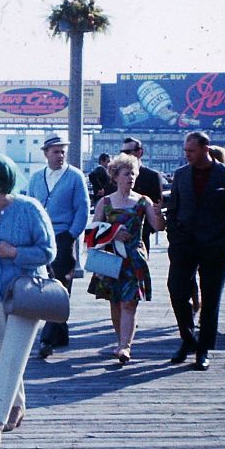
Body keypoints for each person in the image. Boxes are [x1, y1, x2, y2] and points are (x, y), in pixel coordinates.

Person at [0, 153, 56, 449]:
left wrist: (15, 253)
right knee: (2, 354)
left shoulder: (30, 209)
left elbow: (48, 251)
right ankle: (16, 406)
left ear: (2, 182)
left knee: (11, 357)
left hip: (27, 294)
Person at [166, 131, 225, 371]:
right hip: (184, 245)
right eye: (185, 150)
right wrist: (174, 237)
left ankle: (203, 349)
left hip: (214, 246)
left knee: (211, 299)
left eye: (191, 150)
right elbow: (174, 209)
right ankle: (188, 339)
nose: (186, 155)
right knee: (176, 290)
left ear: (205, 149)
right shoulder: (180, 175)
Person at [86, 153, 165, 364]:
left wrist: (160, 214)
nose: (130, 177)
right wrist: (112, 232)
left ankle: (124, 347)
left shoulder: (142, 201)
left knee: (130, 303)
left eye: (133, 173)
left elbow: (158, 227)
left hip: (134, 258)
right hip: (111, 257)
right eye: (126, 173)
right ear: (115, 176)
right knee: (115, 302)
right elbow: (91, 233)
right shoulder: (105, 202)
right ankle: (120, 340)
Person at [27, 133, 90, 359]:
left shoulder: (75, 176)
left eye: (62, 151)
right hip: (41, 237)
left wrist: (71, 235)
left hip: (63, 236)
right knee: (44, 284)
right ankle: (61, 332)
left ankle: (46, 339)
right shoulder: (36, 178)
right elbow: (30, 206)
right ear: (46, 154)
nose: (60, 155)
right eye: (55, 151)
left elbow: (82, 208)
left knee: (59, 284)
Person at [120, 137, 165, 254]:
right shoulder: (115, 175)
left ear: (139, 152)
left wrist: (146, 230)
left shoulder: (152, 176)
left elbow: (156, 205)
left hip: (140, 236)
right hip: (116, 235)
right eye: (122, 152)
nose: (124, 155)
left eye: (128, 152)